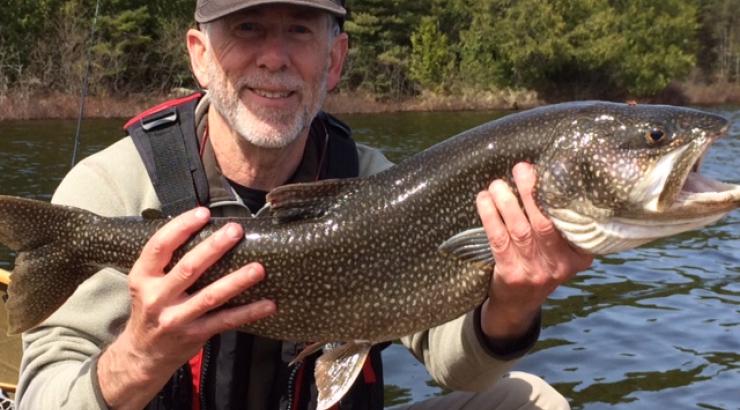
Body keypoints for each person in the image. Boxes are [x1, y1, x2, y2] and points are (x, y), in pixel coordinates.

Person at [15, 0, 593, 409]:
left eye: (298, 31)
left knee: (531, 399)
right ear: (200, 54)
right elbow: (40, 399)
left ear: (334, 59)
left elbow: (456, 368)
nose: (273, 57)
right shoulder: (107, 191)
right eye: (246, 28)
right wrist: (138, 357)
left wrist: (511, 308)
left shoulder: (380, 185)